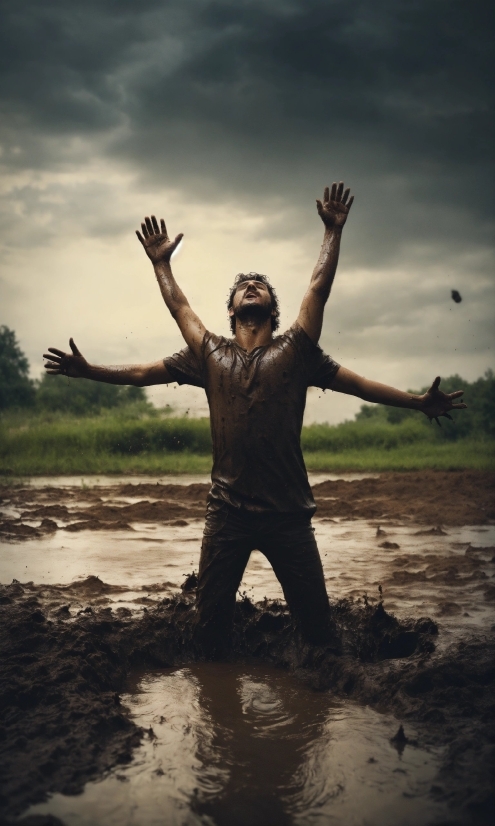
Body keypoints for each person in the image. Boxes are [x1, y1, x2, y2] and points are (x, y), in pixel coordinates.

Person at [44, 182, 466, 655]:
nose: (251, 286)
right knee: (209, 635)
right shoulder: (207, 353)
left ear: (271, 307)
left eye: (259, 284)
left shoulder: (297, 351)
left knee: (320, 637)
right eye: (243, 286)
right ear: (231, 310)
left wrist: (332, 232)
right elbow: (153, 354)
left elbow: (331, 320)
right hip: (226, 514)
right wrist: (155, 272)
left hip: (289, 515)